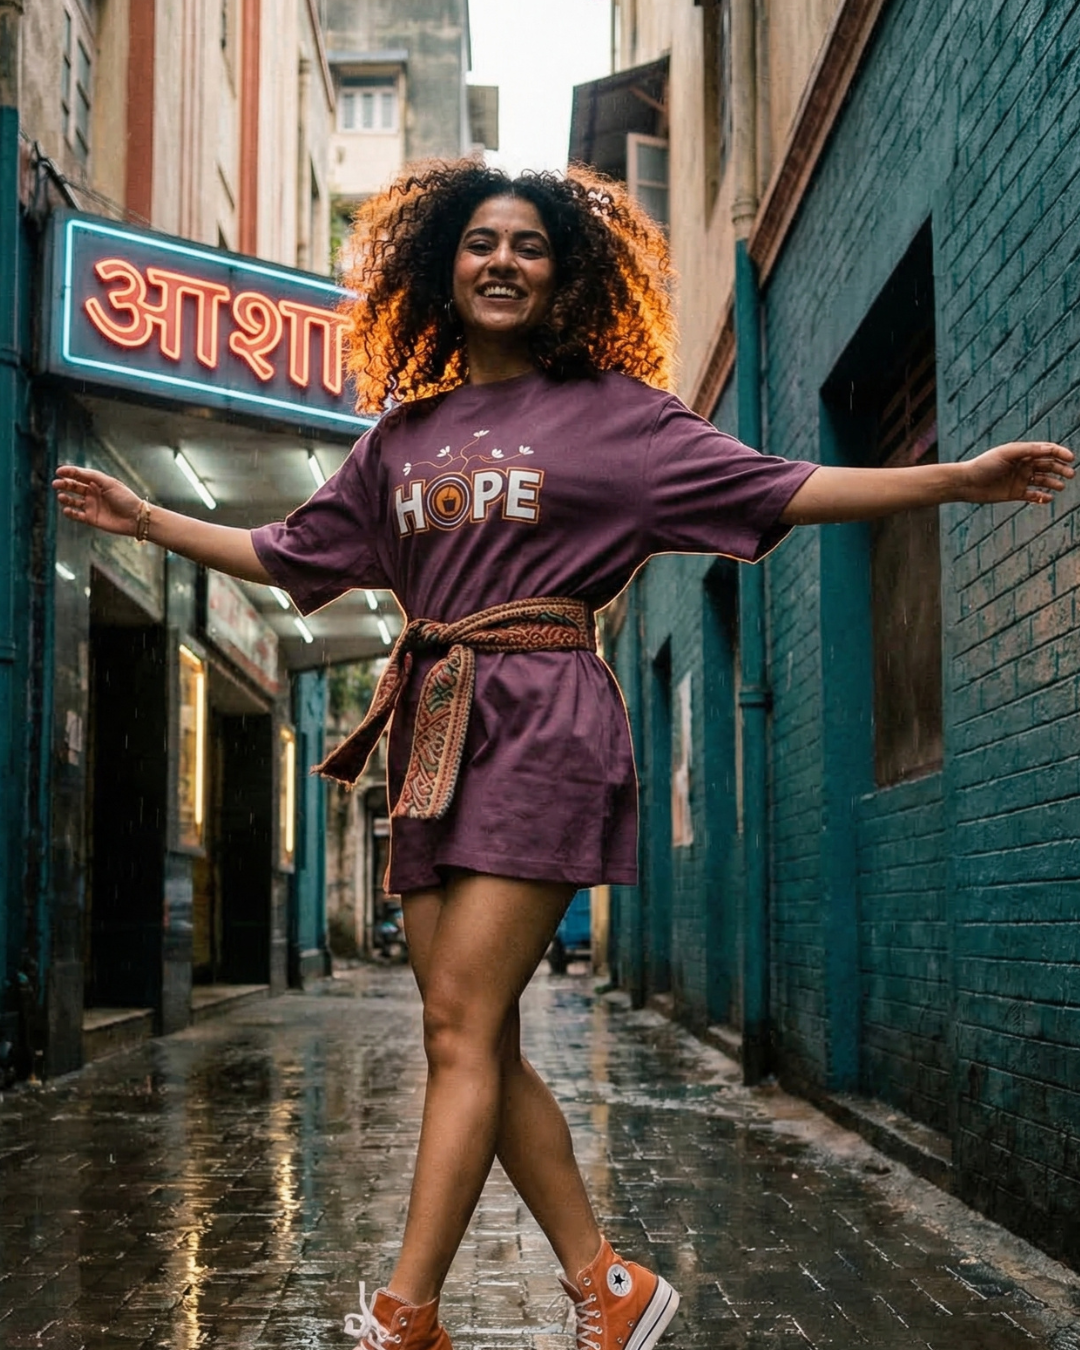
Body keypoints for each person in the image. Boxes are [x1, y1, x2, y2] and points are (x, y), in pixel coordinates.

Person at [53, 160, 1074, 1350]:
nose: (502, 260)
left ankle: (406, 1313)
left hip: (544, 719)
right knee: (474, 1031)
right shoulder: (402, 440)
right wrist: (149, 521)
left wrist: (954, 478)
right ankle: (608, 1287)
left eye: (529, 245)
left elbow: (780, 486)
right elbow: (292, 554)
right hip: (433, 730)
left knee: (458, 1028)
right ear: (444, 268)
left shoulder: (616, 419)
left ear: (563, 273)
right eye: (480, 242)